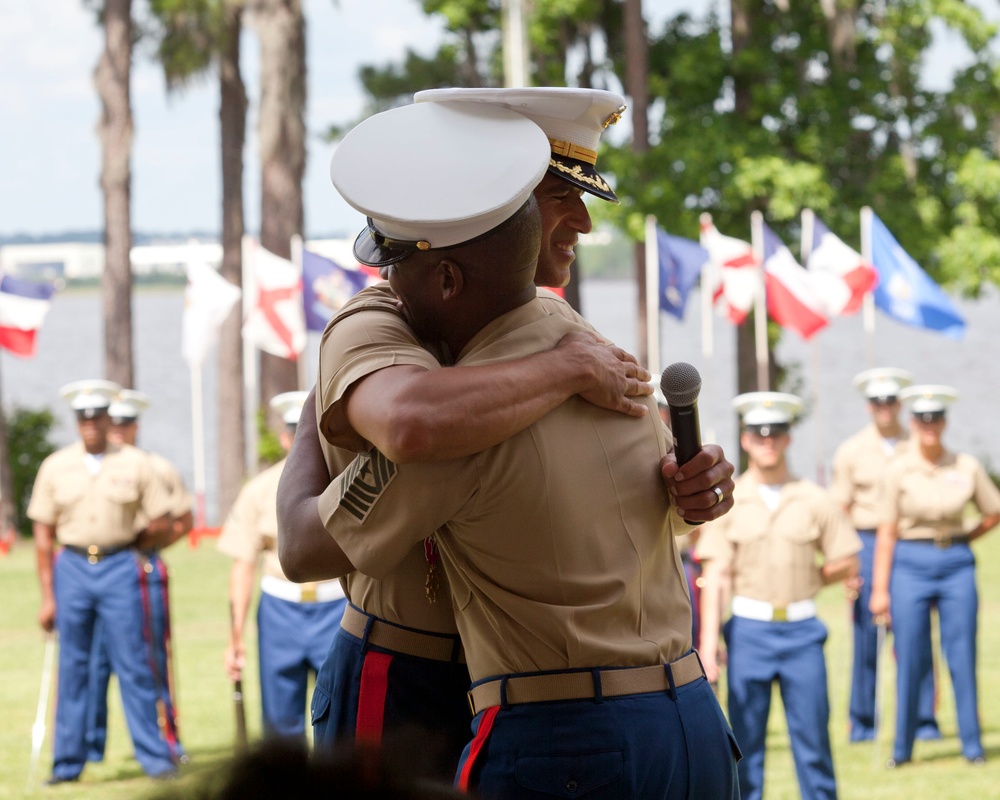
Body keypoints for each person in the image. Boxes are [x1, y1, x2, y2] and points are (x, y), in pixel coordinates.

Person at [278, 88, 734, 784]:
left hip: (545, 711)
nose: (579, 220)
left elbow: (308, 541)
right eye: (555, 194)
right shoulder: (405, 325)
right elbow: (413, 422)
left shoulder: (582, 360)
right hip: (423, 674)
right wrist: (332, 394)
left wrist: (688, 489)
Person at [696, 392, 861, 800]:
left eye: (777, 434)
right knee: (745, 745)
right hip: (749, 631)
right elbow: (715, 573)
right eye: (757, 434)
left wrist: (807, 578)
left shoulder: (815, 498)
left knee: (813, 741)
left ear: (788, 439)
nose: (767, 441)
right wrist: (708, 640)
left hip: (803, 631)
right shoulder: (727, 501)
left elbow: (848, 561)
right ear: (746, 439)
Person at [27, 379, 179, 784]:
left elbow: (163, 519)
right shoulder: (56, 466)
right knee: (73, 666)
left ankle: (155, 759)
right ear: (76, 422)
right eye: (82, 417)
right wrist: (48, 597)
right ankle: (67, 765)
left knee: (135, 662)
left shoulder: (135, 462)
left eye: (96, 416)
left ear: (108, 418)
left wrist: (133, 546)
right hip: (72, 565)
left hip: (118, 565)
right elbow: (43, 535)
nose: (90, 423)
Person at [869, 384, 1000, 768]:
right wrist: (880, 589)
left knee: (961, 653)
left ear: (945, 422)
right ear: (912, 423)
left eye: (937, 419)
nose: (930, 426)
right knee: (910, 654)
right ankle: (902, 749)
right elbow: (887, 533)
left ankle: (972, 745)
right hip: (910, 561)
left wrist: (964, 538)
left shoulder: (966, 465)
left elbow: (992, 511)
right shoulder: (897, 469)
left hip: (956, 562)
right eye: (923, 419)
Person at [217, 391, 348, 740]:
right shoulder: (259, 490)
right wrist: (235, 635)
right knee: (279, 719)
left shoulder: (345, 479)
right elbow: (243, 564)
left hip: (335, 603)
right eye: (295, 432)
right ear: (285, 437)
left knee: (339, 715)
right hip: (280, 608)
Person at [830, 368, 940, 744]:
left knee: (916, 635)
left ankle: (924, 720)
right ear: (868, 406)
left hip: (909, 545)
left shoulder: (920, 444)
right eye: (878, 402)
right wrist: (847, 565)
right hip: (866, 542)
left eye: (891, 401)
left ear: (900, 404)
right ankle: (862, 722)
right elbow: (840, 510)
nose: (885, 408)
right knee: (866, 636)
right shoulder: (851, 450)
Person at [85, 389, 192, 765]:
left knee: (149, 658)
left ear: (135, 426)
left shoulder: (154, 466)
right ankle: (90, 746)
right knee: (93, 659)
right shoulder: (90, 464)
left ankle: (167, 738)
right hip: (98, 573)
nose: (117, 430)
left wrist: (149, 549)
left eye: (124, 423)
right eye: (111, 422)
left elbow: (182, 519)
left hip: (140, 570)